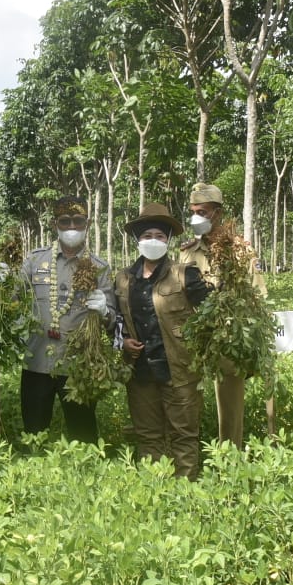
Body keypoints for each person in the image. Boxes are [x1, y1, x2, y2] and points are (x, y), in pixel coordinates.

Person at [115, 203, 211, 478]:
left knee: (183, 434)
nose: (153, 241)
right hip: (140, 371)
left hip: (179, 369)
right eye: (147, 236)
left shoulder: (185, 274)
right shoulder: (123, 279)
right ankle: (155, 491)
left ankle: (185, 489)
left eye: (159, 235)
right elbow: (116, 321)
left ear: (168, 240)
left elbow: (207, 315)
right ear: (137, 240)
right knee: (148, 435)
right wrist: (122, 342)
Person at [19, 196, 117, 443]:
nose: (71, 228)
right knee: (34, 432)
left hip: (78, 367)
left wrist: (105, 311)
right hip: (37, 363)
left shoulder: (99, 268)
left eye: (77, 221)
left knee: (83, 434)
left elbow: (112, 323)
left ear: (87, 223)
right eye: (65, 221)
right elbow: (12, 299)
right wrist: (0, 283)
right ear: (55, 224)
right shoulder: (35, 261)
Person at [178, 181, 266, 449]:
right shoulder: (186, 252)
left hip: (228, 340)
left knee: (229, 408)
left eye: (202, 212)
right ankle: (190, 455)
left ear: (217, 213)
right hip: (194, 340)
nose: (196, 217)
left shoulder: (240, 251)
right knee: (187, 401)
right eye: (193, 211)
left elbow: (257, 295)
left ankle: (231, 458)